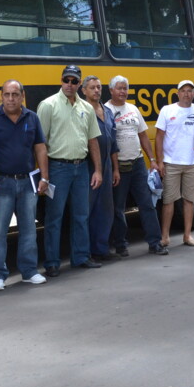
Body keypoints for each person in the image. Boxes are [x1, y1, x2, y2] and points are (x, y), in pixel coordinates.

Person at [0, 79, 49, 290]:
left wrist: (45, 178)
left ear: (22, 96)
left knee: (29, 230)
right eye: (7, 94)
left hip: (27, 182)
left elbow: (40, 148)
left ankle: (29, 272)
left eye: (15, 94)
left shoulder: (32, 117)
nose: (11, 99)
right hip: (1, 183)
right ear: (1, 96)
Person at [37, 65, 103, 276]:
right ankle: (52, 263)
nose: (69, 84)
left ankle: (81, 257)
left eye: (74, 81)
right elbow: (39, 143)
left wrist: (98, 170)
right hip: (57, 168)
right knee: (54, 217)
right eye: (66, 80)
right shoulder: (48, 105)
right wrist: (44, 174)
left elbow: (93, 140)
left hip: (81, 168)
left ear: (79, 84)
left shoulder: (87, 108)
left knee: (81, 215)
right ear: (61, 80)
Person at [105, 75, 169, 256]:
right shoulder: (106, 110)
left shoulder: (133, 109)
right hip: (119, 166)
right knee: (118, 208)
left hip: (138, 163)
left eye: (125, 88)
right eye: (119, 88)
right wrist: (114, 168)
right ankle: (120, 245)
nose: (123, 91)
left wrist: (152, 159)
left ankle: (155, 243)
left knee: (147, 204)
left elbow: (143, 136)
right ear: (111, 90)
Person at [154, 80, 194, 248]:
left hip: (193, 162)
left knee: (189, 200)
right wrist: (160, 161)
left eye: (190, 91)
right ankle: (165, 237)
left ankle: (187, 236)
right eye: (183, 90)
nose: (186, 94)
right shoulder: (167, 110)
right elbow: (159, 137)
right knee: (168, 201)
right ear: (177, 93)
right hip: (171, 163)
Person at [80, 75, 120, 261]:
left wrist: (115, 168)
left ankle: (101, 249)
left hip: (106, 164)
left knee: (105, 209)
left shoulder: (108, 111)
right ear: (84, 91)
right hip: (87, 165)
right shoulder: (81, 111)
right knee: (87, 209)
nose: (97, 90)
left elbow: (113, 143)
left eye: (98, 87)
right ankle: (85, 252)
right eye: (92, 87)